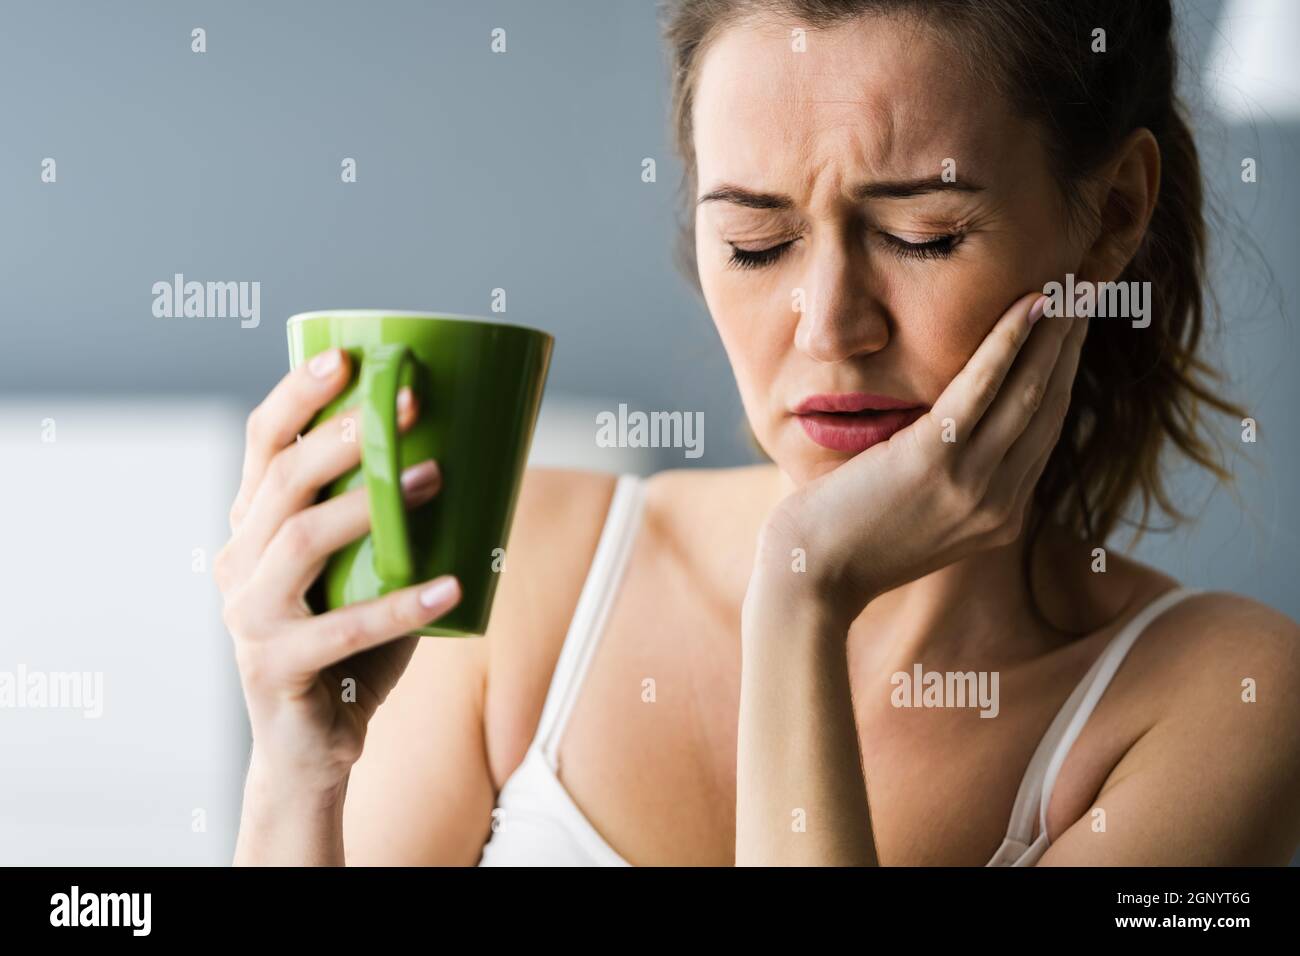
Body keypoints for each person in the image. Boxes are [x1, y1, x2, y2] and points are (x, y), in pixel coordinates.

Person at [218, 0, 1300, 865]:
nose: (829, 324)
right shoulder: (527, 567)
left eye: (921, 234)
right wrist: (297, 775)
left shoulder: (1222, 699)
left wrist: (802, 595)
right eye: (754, 240)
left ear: (1110, 214)